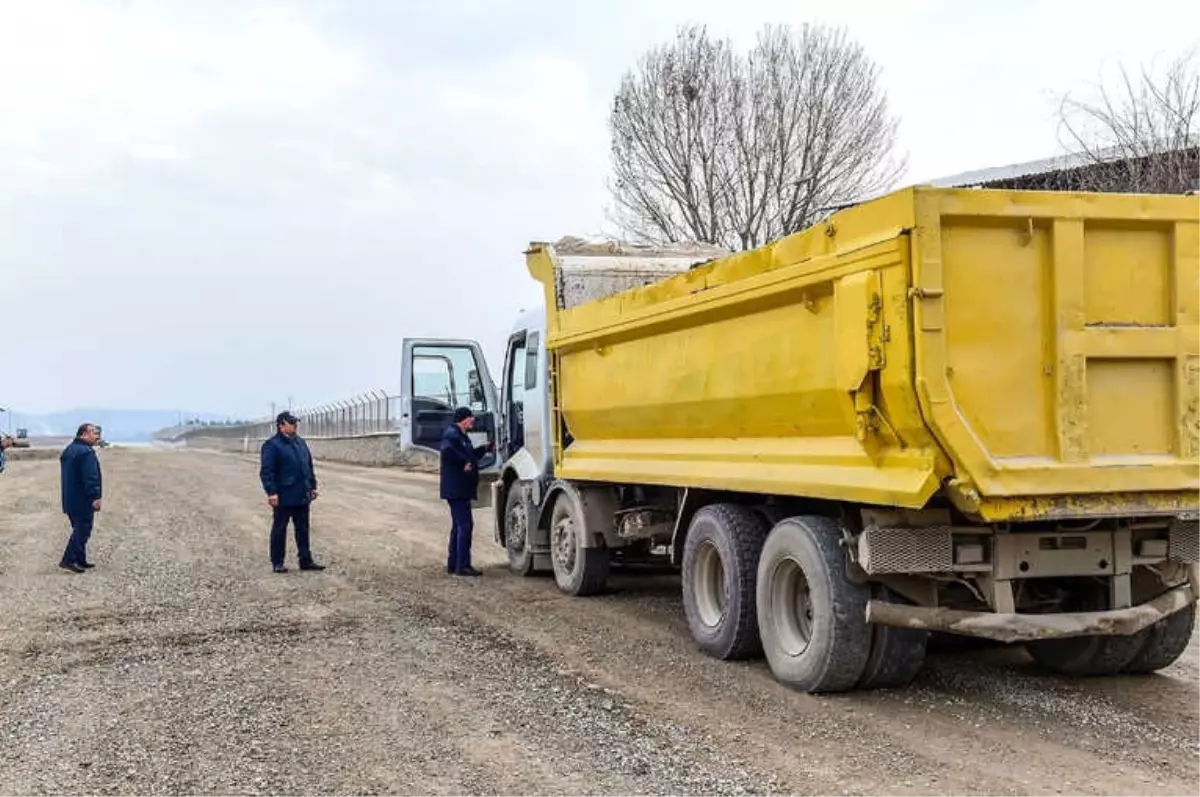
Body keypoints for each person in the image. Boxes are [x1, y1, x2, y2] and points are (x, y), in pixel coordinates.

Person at [259, 411, 325, 574]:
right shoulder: (272, 445)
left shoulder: (300, 443)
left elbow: (308, 466)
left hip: (302, 493)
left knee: (303, 529)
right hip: (284, 495)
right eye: (291, 423)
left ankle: (305, 560)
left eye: (295, 422)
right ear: (281, 425)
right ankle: (277, 562)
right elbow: (267, 471)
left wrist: (312, 486)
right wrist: (272, 492)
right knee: (280, 529)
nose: (295, 425)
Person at [440, 407, 492, 577]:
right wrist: (462, 463)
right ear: (462, 419)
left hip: (460, 489)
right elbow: (447, 451)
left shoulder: (462, 436)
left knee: (458, 526)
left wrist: (484, 448)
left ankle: (454, 564)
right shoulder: (452, 434)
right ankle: (463, 566)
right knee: (465, 526)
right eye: (470, 418)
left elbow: (471, 456)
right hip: (457, 489)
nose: (473, 421)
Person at [59, 423, 103, 573]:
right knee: (83, 530)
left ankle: (80, 559)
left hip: (70, 498)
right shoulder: (86, 452)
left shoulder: (69, 450)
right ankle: (69, 560)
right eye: (94, 433)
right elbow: (91, 477)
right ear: (84, 434)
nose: (97, 436)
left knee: (78, 529)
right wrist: (95, 496)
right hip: (83, 498)